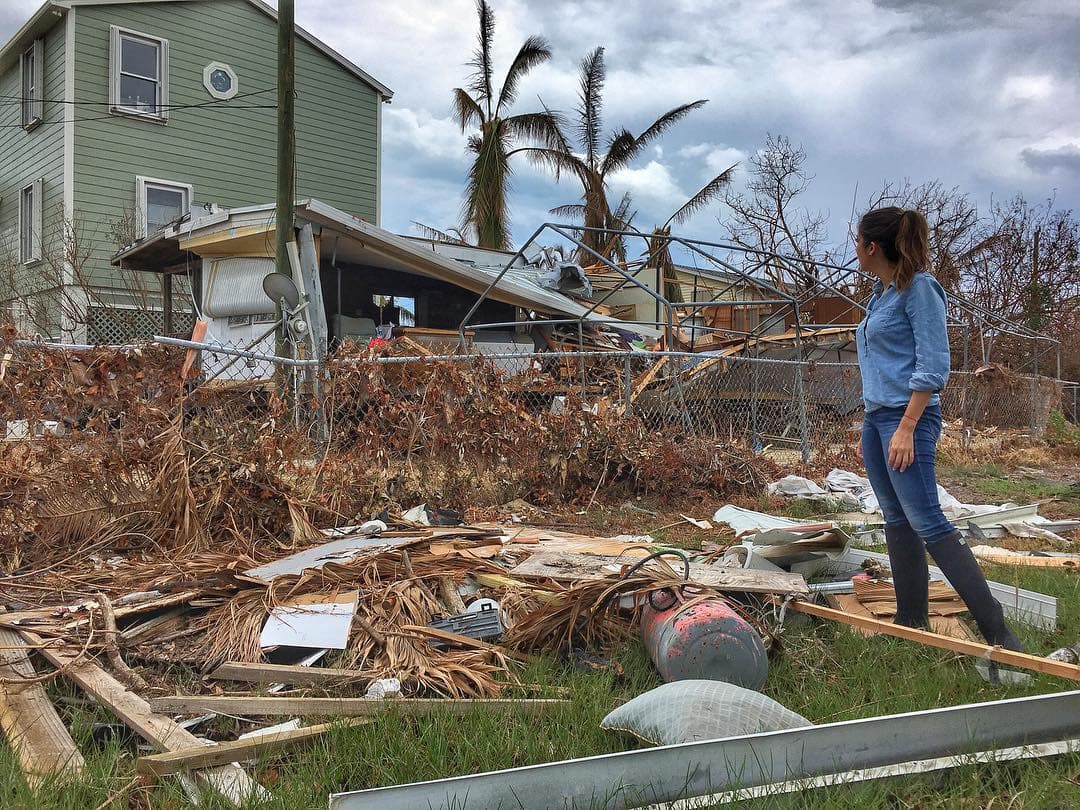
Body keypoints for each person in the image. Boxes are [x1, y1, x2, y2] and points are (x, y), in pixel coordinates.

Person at [854, 206, 1022, 651]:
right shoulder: (879, 296)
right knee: (896, 518)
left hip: (907, 418)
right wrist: (877, 425)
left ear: (872, 247)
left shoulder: (919, 290)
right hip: (876, 418)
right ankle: (913, 622)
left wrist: (907, 426)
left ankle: (1000, 634)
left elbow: (934, 365)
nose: (855, 250)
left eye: (858, 242)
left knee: (927, 519)